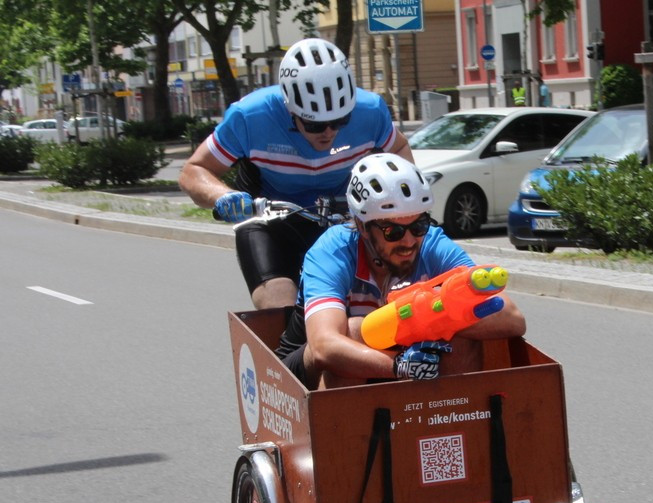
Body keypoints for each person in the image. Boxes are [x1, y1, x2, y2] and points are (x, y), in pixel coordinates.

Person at [179, 38, 414, 310]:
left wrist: (400, 200)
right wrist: (223, 195)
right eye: (315, 124)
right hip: (268, 217)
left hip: (339, 216)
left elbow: (398, 148)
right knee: (278, 301)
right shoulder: (250, 116)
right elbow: (193, 170)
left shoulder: (370, 110)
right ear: (291, 110)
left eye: (340, 121)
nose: (329, 132)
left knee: (375, 298)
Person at [275, 153, 526, 390]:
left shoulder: (433, 244)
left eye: (418, 225)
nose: (408, 241)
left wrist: (428, 317)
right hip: (305, 370)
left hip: (405, 360)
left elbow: (512, 318)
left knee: (459, 325)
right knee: (354, 331)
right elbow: (323, 346)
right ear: (363, 227)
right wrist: (400, 366)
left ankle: (450, 426)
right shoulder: (333, 251)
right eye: (393, 232)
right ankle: (342, 434)